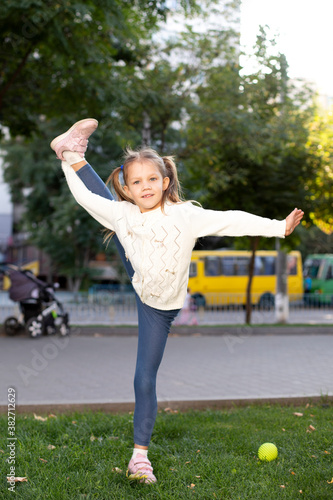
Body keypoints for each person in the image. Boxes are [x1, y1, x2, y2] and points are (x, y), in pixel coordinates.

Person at [50, 118, 304, 484]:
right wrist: (65, 161)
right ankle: (140, 459)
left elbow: (229, 220)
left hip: (162, 306)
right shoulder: (124, 213)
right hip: (142, 282)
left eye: (152, 179)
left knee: (146, 372)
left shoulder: (186, 216)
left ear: (165, 182)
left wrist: (277, 227)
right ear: (128, 187)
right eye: (135, 181)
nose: (145, 186)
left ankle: (72, 151)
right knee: (144, 377)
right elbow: (86, 199)